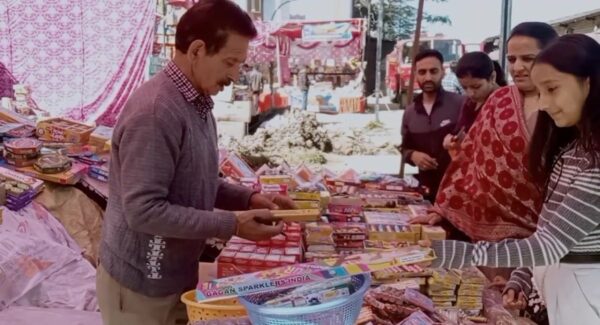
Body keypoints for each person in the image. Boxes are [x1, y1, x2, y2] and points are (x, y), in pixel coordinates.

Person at [97, 2, 295, 325]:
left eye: (240, 64)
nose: (235, 75)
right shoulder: (156, 112)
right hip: (140, 288)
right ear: (198, 50)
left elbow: (195, 180)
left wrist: (249, 199)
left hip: (177, 277)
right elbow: (143, 210)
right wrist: (232, 224)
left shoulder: (198, 104)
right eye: (230, 62)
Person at [426, 33, 600, 325]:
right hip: (561, 284)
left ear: (589, 83)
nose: (543, 103)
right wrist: (523, 275)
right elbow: (547, 229)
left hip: (585, 292)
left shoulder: (595, 162)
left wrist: (441, 254)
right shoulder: (571, 151)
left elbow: (549, 245)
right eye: (540, 92)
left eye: (552, 89)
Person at [412, 23, 559, 243]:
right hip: (489, 236)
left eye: (528, 59)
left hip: (550, 235)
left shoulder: (566, 107)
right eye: (511, 59)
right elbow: (468, 161)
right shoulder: (499, 101)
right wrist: (443, 210)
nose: (517, 67)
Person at [400, 49, 465, 201]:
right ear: (415, 75)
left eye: (433, 71)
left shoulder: (461, 104)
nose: (428, 77)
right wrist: (413, 155)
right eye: (422, 72)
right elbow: (404, 148)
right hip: (426, 194)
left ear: (443, 72)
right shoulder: (410, 112)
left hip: (459, 192)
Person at [443, 52, 505, 158]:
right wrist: (451, 140)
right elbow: (460, 130)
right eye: (464, 88)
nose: (470, 93)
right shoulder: (469, 103)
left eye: (476, 87)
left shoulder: (505, 103)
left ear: (493, 77)